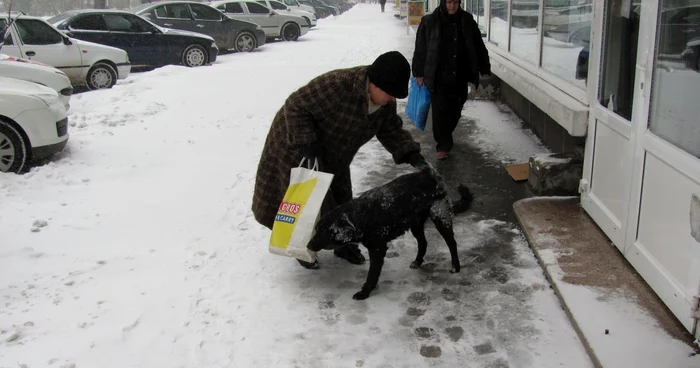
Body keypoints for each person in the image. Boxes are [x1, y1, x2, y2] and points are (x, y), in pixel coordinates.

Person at [252, 51, 434, 269]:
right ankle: (301, 245)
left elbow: (390, 129)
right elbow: (295, 105)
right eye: (390, 93)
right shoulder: (337, 85)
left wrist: (409, 152)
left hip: (335, 151)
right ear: (374, 84)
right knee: (304, 202)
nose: (392, 99)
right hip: (297, 145)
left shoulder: (384, 103)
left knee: (341, 199)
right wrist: (307, 142)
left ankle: (344, 244)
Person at [411, 0, 491, 160]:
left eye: (455, 2)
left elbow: (478, 45)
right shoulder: (430, 21)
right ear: (443, 3)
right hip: (438, 75)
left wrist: (484, 67)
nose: (452, 6)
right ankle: (443, 143)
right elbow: (420, 48)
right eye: (449, 2)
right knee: (440, 111)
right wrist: (419, 73)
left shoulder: (467, 20)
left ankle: (446, 133)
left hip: (460, 74)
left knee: (456, 108)